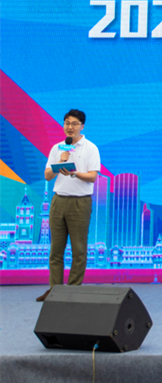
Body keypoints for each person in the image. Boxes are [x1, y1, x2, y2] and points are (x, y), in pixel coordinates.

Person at [37, 109, 101, 302]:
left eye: (74, 123)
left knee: (78, 250)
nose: (70, 127)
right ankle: (55, 290)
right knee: (56, 250)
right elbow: (47, 175)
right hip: (59, 201)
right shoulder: (57, 148)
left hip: (80, 202)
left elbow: (92, 176)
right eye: (67, 123)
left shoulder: (90, 148)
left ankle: (73, 292)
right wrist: (60, 162)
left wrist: (74, 173)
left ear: (82, 126)